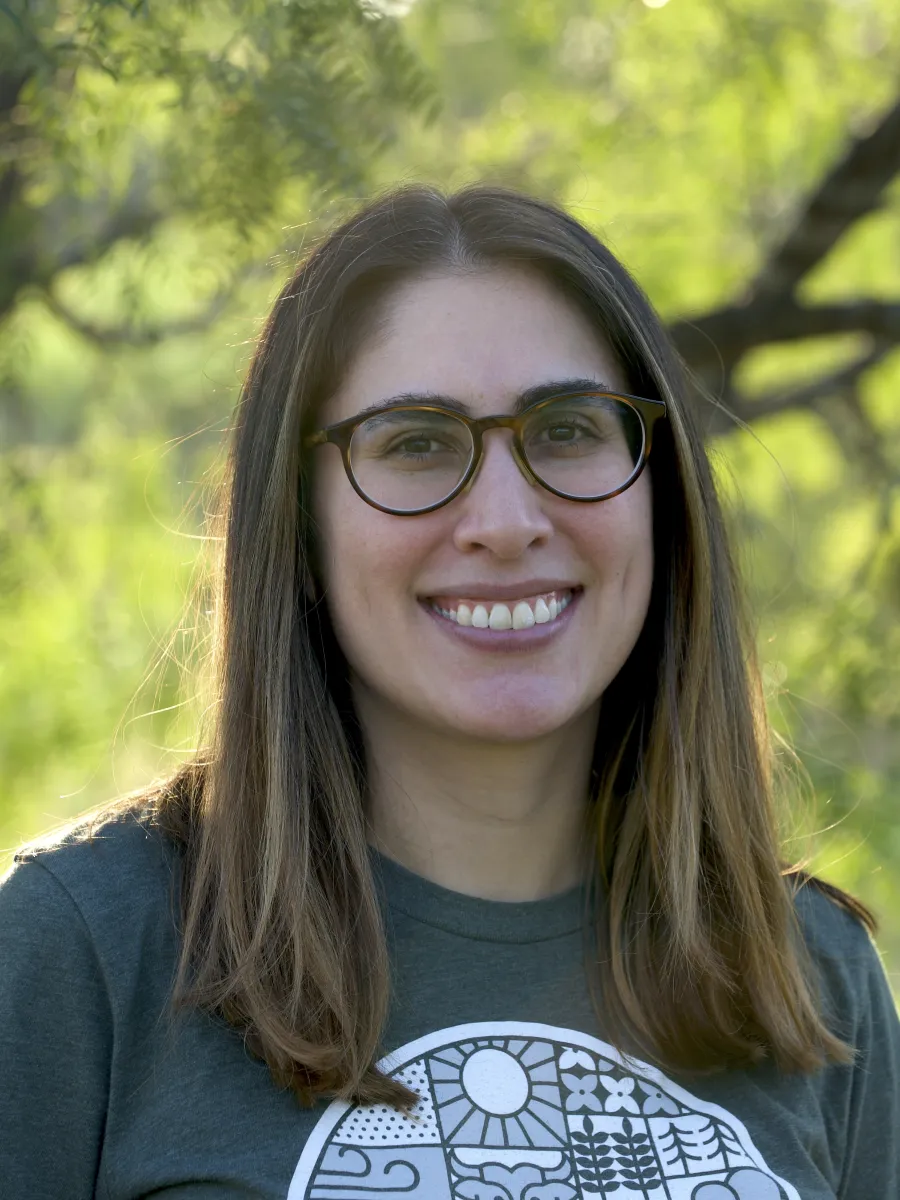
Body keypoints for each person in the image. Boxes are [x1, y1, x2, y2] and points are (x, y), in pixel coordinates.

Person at [1, 185, 898, 1200]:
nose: (507, 522)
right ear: (298, 526)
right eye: (417, 443)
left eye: (567, 429)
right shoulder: (84, 948)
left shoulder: (811, 976)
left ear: (664, 497)